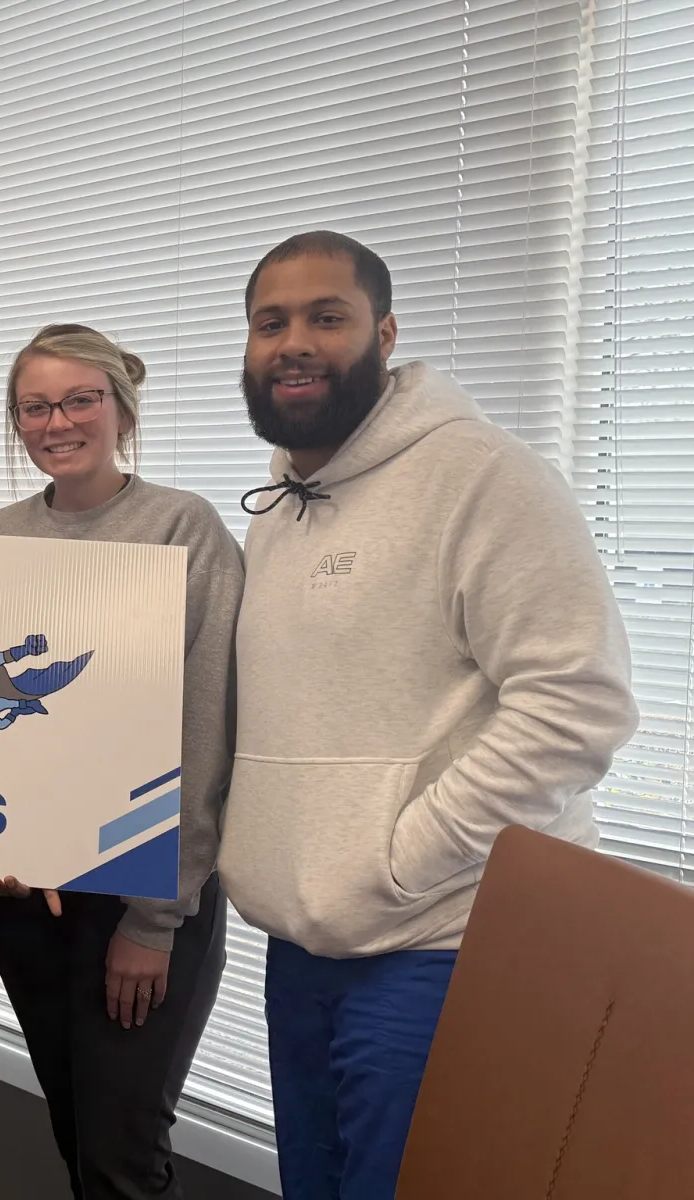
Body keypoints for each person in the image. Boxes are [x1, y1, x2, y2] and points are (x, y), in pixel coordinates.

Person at [218, 231, 639, 1198]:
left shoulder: (484, 476)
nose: (295, 342)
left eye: (328, 317)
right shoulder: (281, 505)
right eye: (270, 321)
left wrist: (403, 859)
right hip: (305, 944)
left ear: (386, 333)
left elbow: (579, 704)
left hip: (435, 947)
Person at [0, 323, 241, 1200]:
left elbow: (205, 730)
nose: (58, 422)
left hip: (141, 898)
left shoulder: (181, 528)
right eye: (35, 406)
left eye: (81, 399)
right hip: (25, 903)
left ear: (121, 408)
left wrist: (153, 922)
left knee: (124, 1155)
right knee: (77, 1131)